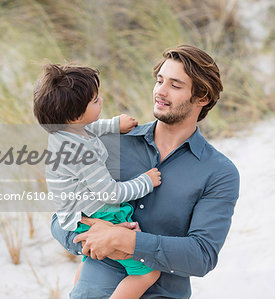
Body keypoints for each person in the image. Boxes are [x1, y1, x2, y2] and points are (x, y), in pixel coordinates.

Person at [51, 45, 240, 298]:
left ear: (202, 98)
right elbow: (59, 218)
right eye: (159, 80)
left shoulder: (218, 172)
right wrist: (90, 235)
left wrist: (125, 241)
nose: (160, 91)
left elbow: (202, 255)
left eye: (175, 85)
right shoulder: (111, 143)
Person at [33, 64, 161, 299]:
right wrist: (146, 181)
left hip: (75, 216)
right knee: (147, 273)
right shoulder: (82, 154)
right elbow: (110, 193)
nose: (100, 101)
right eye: (94, 101)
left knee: (91, 258)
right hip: (98, 217)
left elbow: (88, 128)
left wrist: (113, 125)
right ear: (74, 115)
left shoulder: (63, 133)